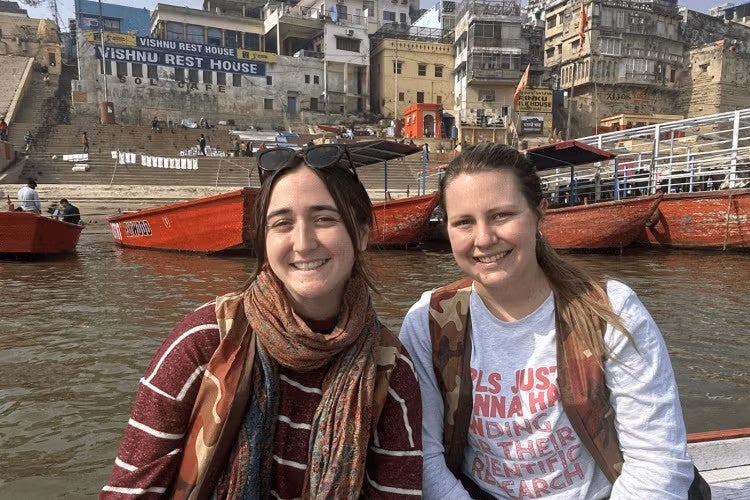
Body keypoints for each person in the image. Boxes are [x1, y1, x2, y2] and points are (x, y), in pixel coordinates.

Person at [102, 143, 423, 498]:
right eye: (282, 224)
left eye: (324, 219)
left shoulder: (389, 368)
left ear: (362, 233)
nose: (303, 244)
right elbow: (130, 490)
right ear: (264, 239)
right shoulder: (206, 340)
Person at [399, 144, 697, 499]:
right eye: (464, 222)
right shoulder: (428, 321)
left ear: (538, 214)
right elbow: (426, 457)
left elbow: (657, 462)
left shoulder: (608, 310)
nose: (483, 239)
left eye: (501, 215)